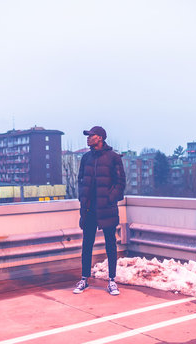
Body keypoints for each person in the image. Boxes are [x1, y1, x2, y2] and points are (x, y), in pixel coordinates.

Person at [73, 126, 126, 295]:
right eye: (88, 136)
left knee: (110, 244)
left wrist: (111, 198)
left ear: (100, 138)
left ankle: (112, 281)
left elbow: (120, 183)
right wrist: (82, 198)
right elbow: (80, 180)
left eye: (91, 136)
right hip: (89, 209)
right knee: (86, 244)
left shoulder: (113, 158)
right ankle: (84, 279)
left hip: (106, 207)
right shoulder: (86, 158)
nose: (88, 138)